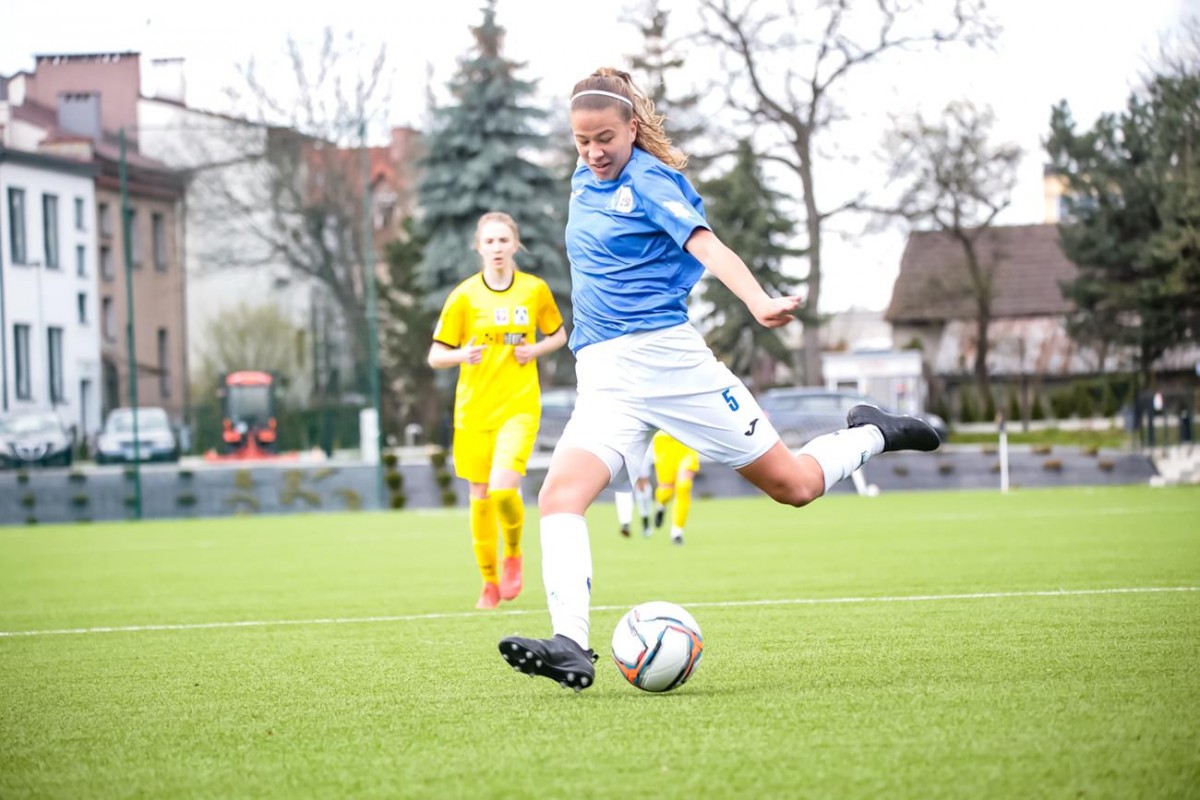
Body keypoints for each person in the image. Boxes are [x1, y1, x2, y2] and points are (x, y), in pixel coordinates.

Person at [498, 69, 939, 690]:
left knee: (794, 486)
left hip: (669, 364)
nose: (593, 152)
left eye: (605, 138)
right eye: (582, 141)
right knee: (558, 497)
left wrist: (758, 301)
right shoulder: (583, 176)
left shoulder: (650, 181)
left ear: (632, 129)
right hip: (603, 376)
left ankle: (874, 433)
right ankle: (570, 644)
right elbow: (595, 127)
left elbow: (707, 246)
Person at [428, 211, 567, 610]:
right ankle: (488, 582)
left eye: (504, 240)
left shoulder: (534, 290)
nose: (497, 248)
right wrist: (461, 355)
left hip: (518, 406)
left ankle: (514, 556)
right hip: (473, 411)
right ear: (479, 247)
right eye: (489, 241)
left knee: (503, 488)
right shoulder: (464, 296)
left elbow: (559, 334)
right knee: (479, 494)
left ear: (515, 244)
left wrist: (534, 349)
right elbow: (436, 355)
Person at [648, 429, 700, 545]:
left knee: (683, 486)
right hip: (664, 442)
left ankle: (677, 532)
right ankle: (661, 505)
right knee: (665, 492)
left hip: (687, 439)